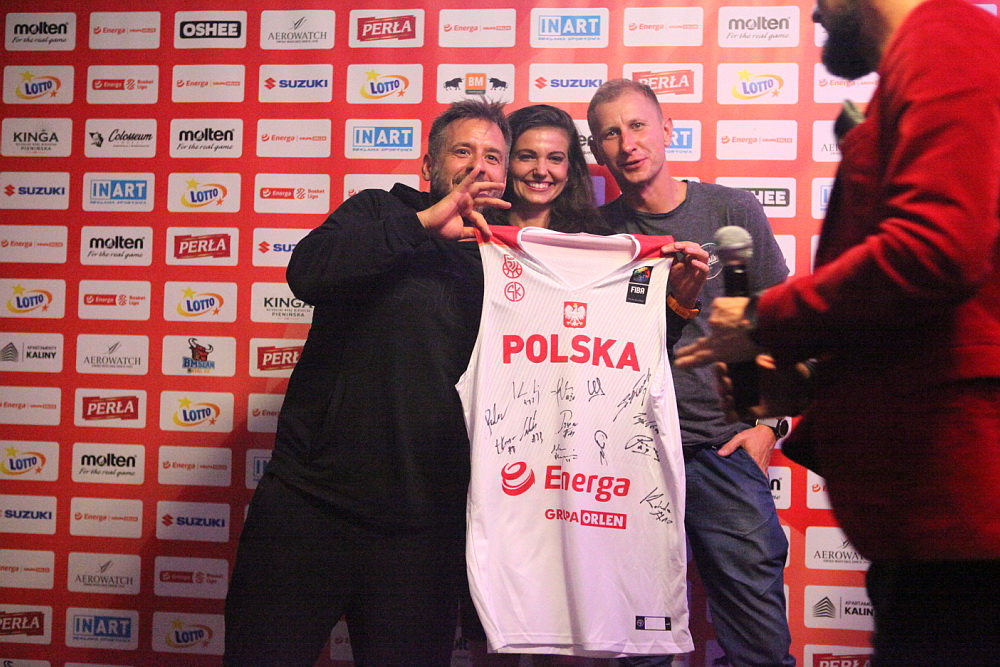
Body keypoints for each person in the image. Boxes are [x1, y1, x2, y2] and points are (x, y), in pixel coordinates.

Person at [675, 0, 1000, 663]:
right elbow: (921, 315)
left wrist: (764, 319)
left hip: (963, 512)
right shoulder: (927, 56)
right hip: (930, 522)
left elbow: (937, 248)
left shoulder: (947, 38)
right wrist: (807, 385)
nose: (816, 14)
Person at [224, 98, 511, 667]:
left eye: (493, 157)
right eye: (463, 151)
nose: (479, 166)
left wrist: (670, 306)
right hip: (309, 506)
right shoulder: (380, 210)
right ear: (428, 166)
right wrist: (424, 224)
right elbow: (307, 271)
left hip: (423, 531)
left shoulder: (508, 261)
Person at [466, 103, 708, 665]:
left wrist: (676, 299)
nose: (541, 170)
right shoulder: (469, 238)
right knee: (492, 607)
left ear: (572, 168)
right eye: (526, 156)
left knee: (570, 605)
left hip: (576, 461)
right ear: (504, 162)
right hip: (493, 450)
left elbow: (639, 340)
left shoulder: (606, 244)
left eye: (556, 158)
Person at [587, 79, 796, 667]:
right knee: (639, 650)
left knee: (761, 648)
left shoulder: (732, 211)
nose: (628, 143)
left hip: (720, 449)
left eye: (637, 125)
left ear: (667, 130)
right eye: (611, 133)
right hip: (628, 457)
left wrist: (769, 426)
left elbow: (778, 322)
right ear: (598, 151)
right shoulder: (595, 233)